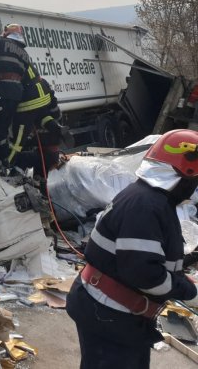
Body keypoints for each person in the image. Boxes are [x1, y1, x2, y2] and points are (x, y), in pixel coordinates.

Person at [67, 129, 198, 369]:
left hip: (115, 314)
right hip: (108, 314)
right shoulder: (147, 206)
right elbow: (143, 274)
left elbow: (147, 258)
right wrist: (187, 290)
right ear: (184, 175)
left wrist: (178, 277)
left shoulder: (150, 199)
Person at [0, 23, 68, 173]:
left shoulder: (2, 45)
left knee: (19, 137)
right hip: (42, 95)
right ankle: (56, 127)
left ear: (6, 34)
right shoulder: (23, 54)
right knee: (41, 116)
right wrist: (56, 118)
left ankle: (7, 164)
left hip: (28, 100)